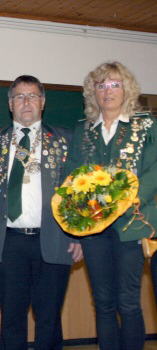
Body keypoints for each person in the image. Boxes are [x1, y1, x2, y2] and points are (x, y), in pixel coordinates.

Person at [0, 75, 82, 350]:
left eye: (33, 96)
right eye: (20, 97)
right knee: (12, 318)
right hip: (9, 240)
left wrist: (79, 237)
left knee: (49, 319)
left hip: (54, 238)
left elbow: (80, 193)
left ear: (43, 102)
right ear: (11, 104)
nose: (27, 102)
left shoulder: (65, 140)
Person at [65, 61, 157, 350]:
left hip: (131, 222)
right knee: (103, 303)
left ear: (126, 89)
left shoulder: (146, 126)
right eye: (101, 85)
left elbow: (153, 171)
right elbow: (74, 173)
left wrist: (128, 200)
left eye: (115, 84)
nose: (108, 91)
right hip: (94, 227)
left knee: (128, 301)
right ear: (92, 92)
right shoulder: (84, 130)